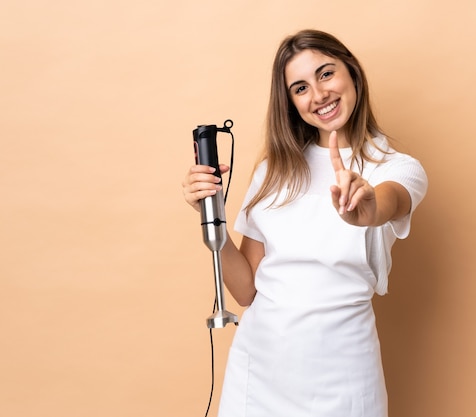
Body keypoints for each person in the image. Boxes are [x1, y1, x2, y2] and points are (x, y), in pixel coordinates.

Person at [182, 29, 428, 417]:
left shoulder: (397, 168)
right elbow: (246, 291)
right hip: (258, 373)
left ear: (353, 74)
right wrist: (211, 217)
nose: (318, 94)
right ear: (292, 103)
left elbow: (389, 202)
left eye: (326, 74)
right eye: (300, 88)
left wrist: (365, 206)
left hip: (344, 375)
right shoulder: (273, 172)